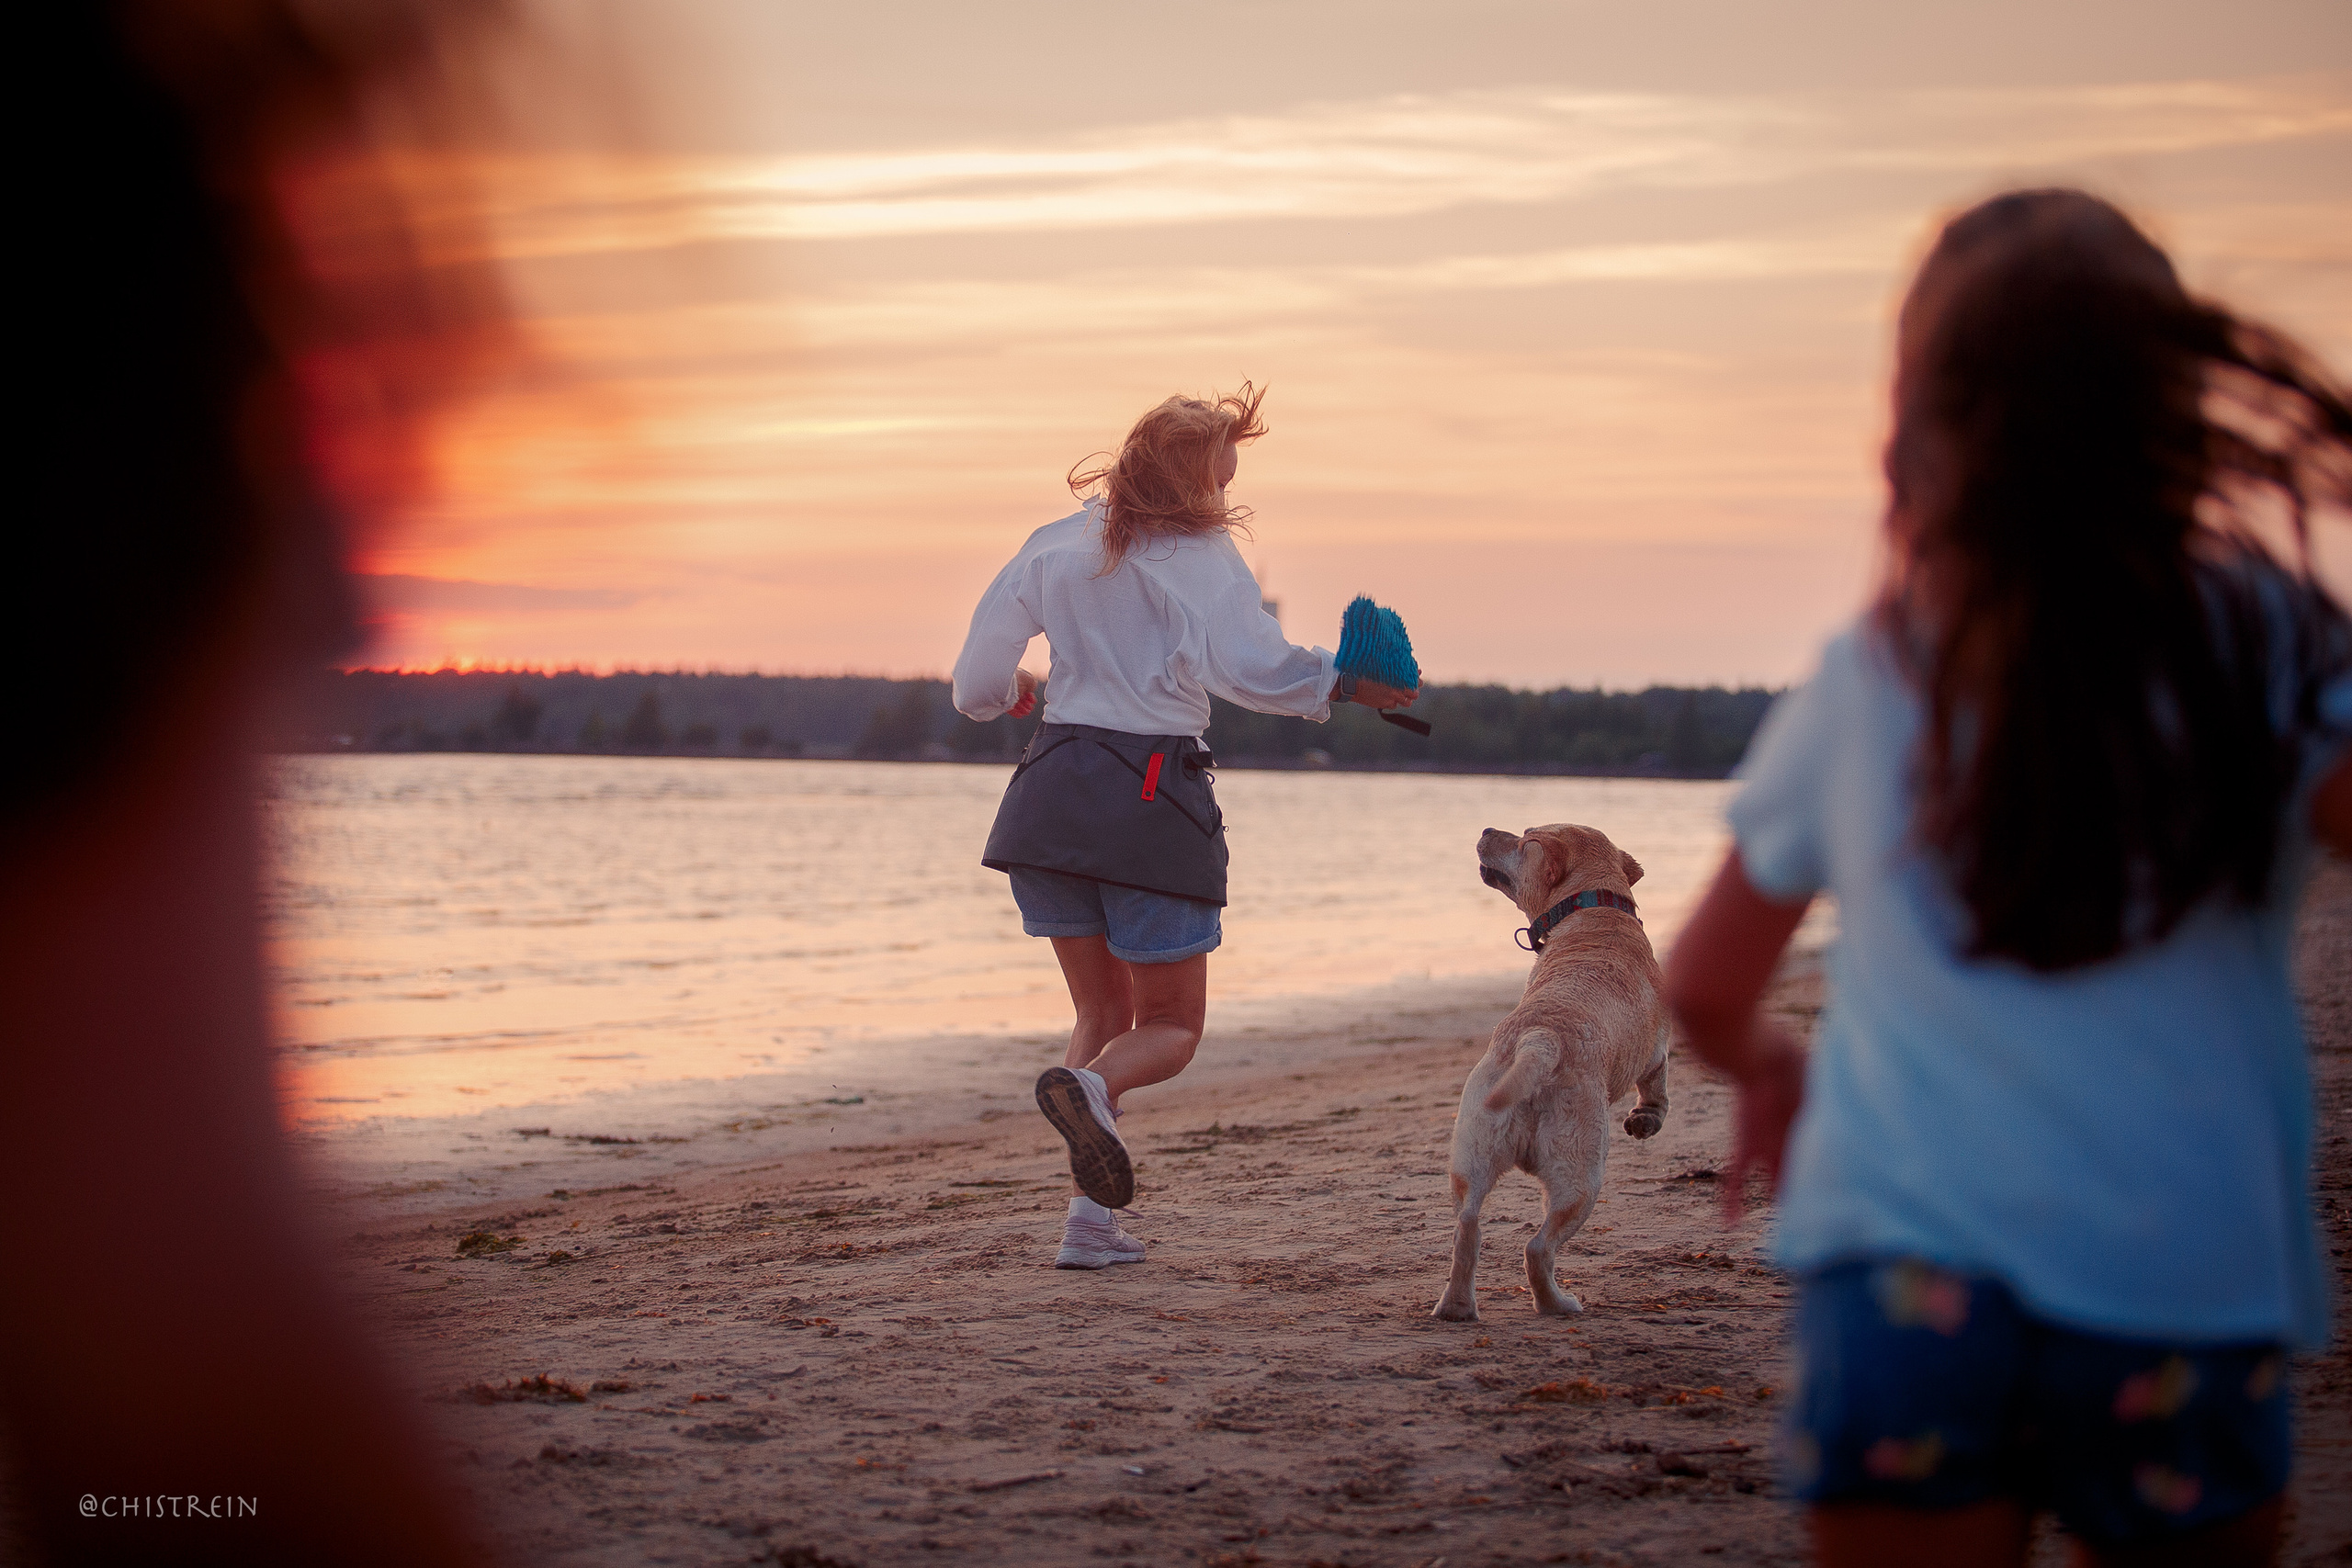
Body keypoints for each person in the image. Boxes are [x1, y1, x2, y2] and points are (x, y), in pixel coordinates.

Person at [1664, 188, 2352, 1568]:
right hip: (2187, 1288)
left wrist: (1771, 1063)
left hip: (1907, 1282)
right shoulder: (2272, 647)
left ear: (1913, 432)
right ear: (2177, 413)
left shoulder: (1877, 670)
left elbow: (1701, 982)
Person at [952, 385, 1416, 1268]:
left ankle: (1089, 1223)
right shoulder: (1200, 555)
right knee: (1170, 1027)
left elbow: (976, 682)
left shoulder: (1051, 545)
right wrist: (1346, 684)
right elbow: (1254, 667)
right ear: (1189, 479)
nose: (1224, 496)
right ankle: (1091, 1094)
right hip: (1149, 797)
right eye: (1220, 477)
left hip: (1049, 796)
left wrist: (1011, 693)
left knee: (1100, 1009)